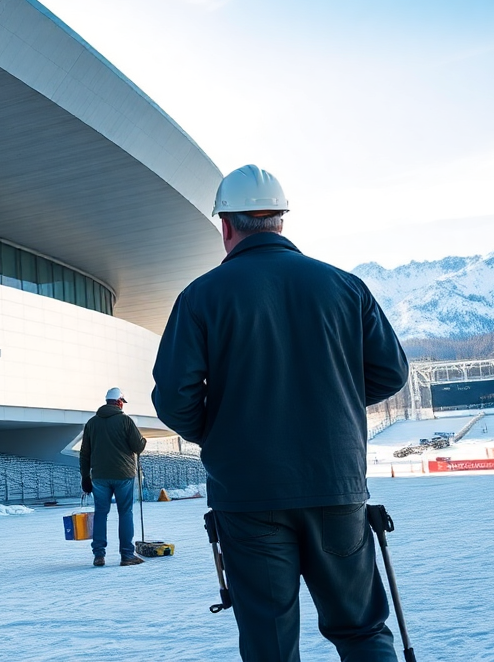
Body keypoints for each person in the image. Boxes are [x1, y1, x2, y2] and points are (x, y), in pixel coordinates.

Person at [152, 165, 409, 662]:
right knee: (360, 629)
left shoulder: (201, 296)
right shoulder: (345, 286)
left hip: (249, 495)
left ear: (226, 226)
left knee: (269, 642)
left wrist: (224, 435)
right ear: (281, 222)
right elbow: (390, 374)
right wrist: (332, 407)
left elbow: (174, 398)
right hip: (336, 486)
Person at [79, 387, 148, 567]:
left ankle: (99, 555)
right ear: (119, 402)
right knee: (125, 513)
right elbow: (138, 447)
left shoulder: (92, 423)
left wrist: (85, 478)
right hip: (123, 475)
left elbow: (85, 453)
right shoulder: (126, 421)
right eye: (122, 403)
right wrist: (143, 441)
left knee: (101, 513)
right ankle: (127, 555)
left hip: (100, 477)